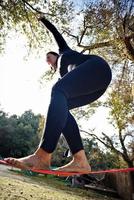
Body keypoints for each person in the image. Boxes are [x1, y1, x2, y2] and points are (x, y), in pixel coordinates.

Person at [5, 17, 112, 173]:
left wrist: (43, 19)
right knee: (62, 109)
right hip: (96, 86)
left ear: (56, 54)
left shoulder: (64, 51)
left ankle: (42, 156)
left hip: (97, 67)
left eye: (49, 56)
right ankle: (80, 160)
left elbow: (55, 32)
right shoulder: (63, 76)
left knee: (57, 90)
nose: (47, 59)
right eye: (46, 59)